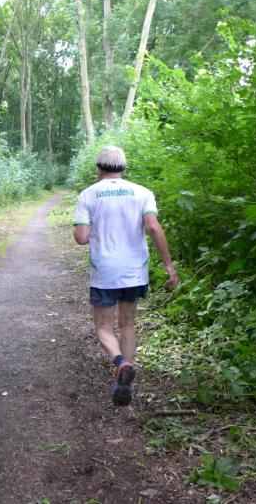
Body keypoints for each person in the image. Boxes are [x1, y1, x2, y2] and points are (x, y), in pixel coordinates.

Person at [73, 145, 178, 406]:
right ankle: (125, 382)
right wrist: (169, 266)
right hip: (134, 270)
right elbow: (153, 227)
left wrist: (94, 229)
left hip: (105, 271)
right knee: (127, 323)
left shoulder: (88, 194)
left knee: (103, 326)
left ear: (98, 168)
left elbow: (81, 238)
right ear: (123, 168)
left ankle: (120, 362)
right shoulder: (143, 193)